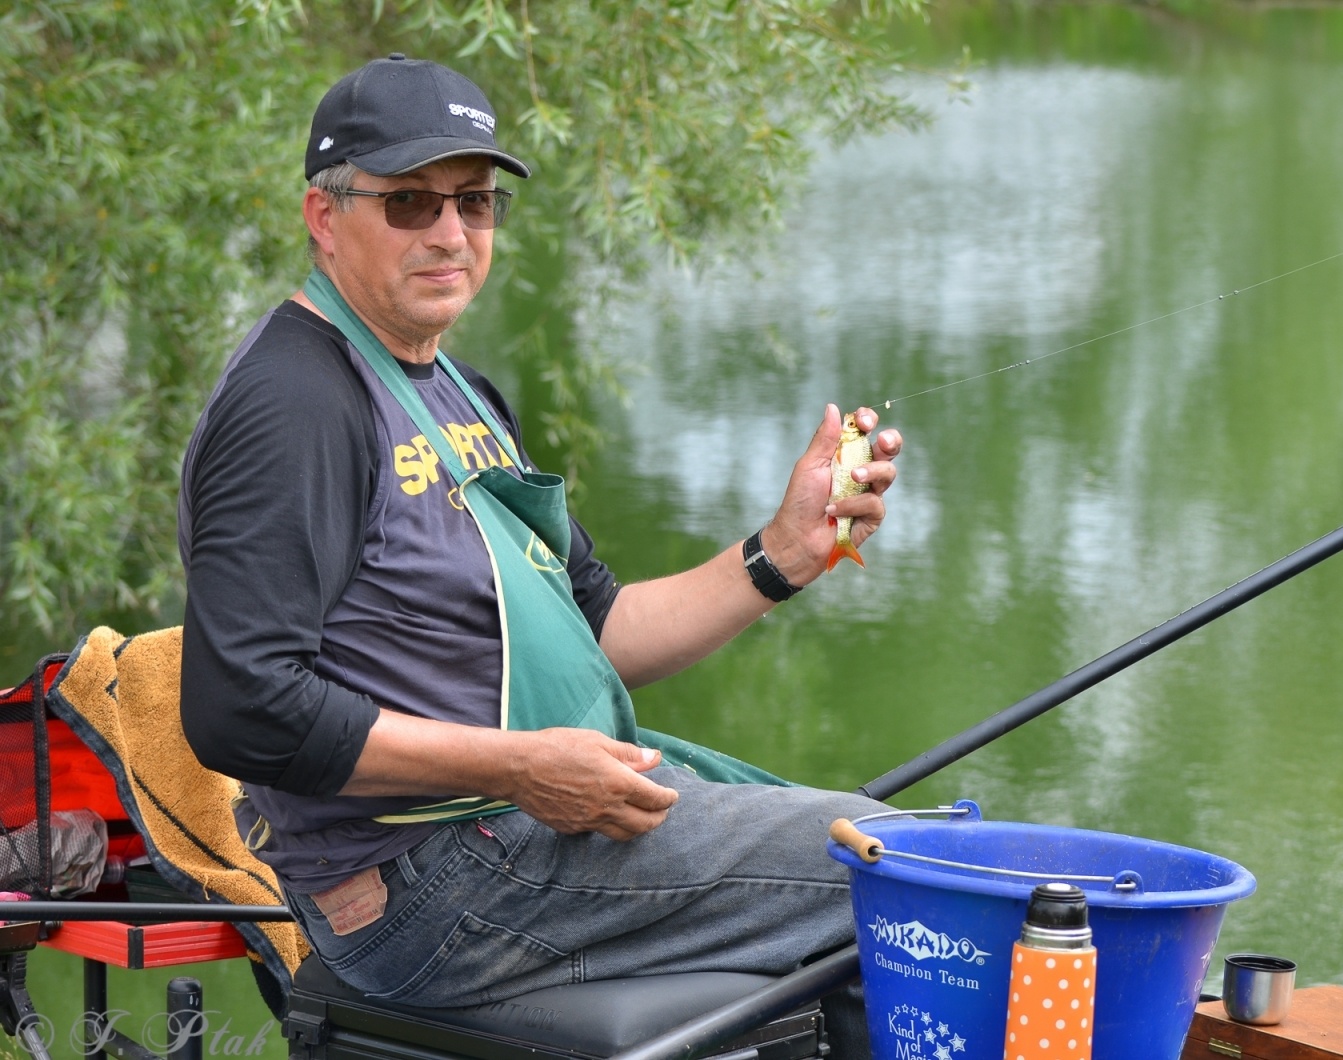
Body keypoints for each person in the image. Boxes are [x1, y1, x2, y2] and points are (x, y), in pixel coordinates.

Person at [177, 54, 901, 1046]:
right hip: (424, 883)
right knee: (913, 870)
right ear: (324, 216)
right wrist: (521, 768)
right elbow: (241, 709)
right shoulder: (294, 402)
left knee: (898, 852)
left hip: (509, 837)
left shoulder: (458, 392)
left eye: (474, 202)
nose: (450, 233)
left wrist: (783, 553)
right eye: (409, 202)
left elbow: (598, 628)